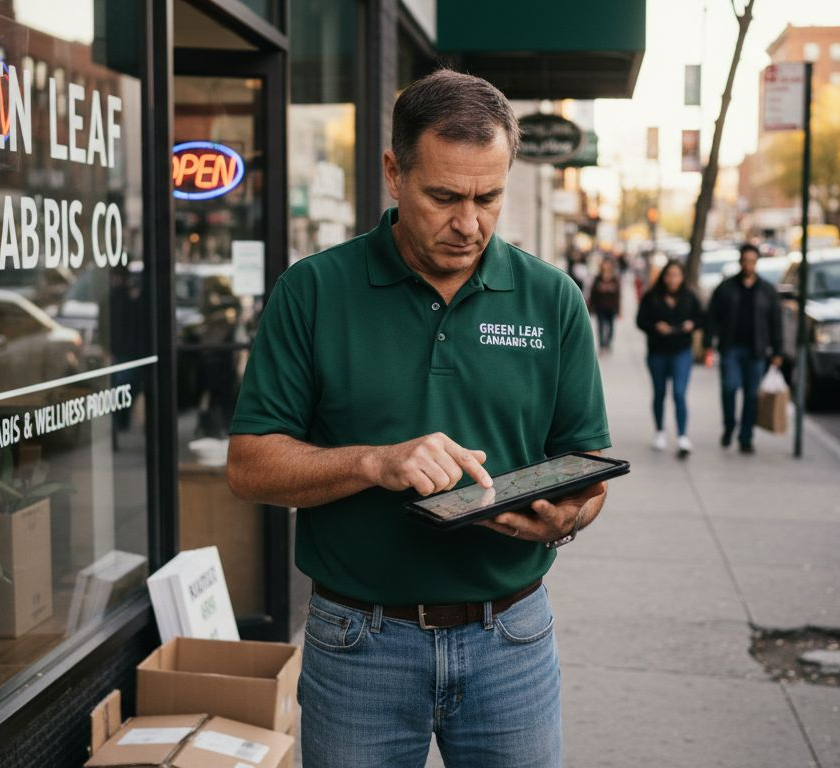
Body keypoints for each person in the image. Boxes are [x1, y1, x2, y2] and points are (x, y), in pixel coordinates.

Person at [226, 69, 611, 768]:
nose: (469, 224)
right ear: (393, 173)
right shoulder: (312, 291)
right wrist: (373, 461)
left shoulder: (553, 299)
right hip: (358, 644)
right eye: (444, 197)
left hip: (513, 638)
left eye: (488, 198)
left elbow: (587, 468)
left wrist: (568, 519)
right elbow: (249, 466)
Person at [705, 243, 783, 453]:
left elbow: (776, 321)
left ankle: (746, 436)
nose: (748, 265)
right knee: (729, 388)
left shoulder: (767, 290)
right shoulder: (726, 287)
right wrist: (708, 344)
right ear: (740, 262)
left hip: (756, 350)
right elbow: (712, 317)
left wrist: (777, 351)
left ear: (757, 263)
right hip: (731, 348)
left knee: (751, 395)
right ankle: (730, 426)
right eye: (745, 261)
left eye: (752, 261)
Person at [635, 260, 702, 457]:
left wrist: (692, 324)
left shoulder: (689, 297)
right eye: (669, 275)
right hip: (658, 352)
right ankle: (659, 431)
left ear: (682, 277)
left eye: (677, 275)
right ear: (664, 276)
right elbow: (640, 321)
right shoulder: (651, 296)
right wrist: (656, 326)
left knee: (680, 393)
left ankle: (682, 436)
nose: (673, 279)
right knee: (659, 392)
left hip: (681, 350)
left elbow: (701, 317)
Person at [588, 258, 621, 351]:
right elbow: (592, 293)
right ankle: (602, 345)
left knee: (611, 326)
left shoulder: (614, 278)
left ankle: (608, 343)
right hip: (600, 306)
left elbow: (618, 295)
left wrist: (619, 310)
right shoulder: (597, 278)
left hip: (611, 306)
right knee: (601, 326)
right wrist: (591, 307)